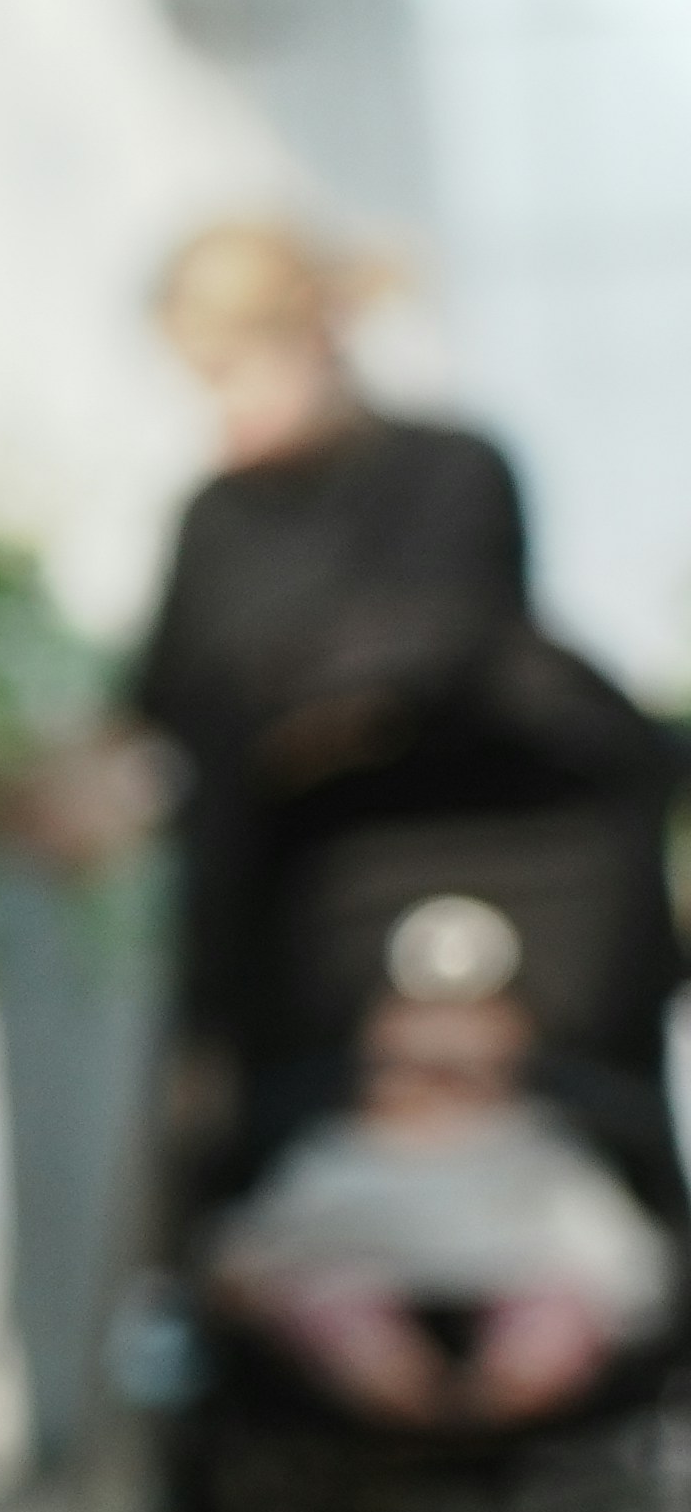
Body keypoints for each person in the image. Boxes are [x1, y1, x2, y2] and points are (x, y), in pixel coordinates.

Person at [103, 215, 559, 1191]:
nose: (220, 406)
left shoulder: (449, 471)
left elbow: (435, 657)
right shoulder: (217, 517)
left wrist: (273, 723)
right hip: (272, 947)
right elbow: (160, 705)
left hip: (450, 924)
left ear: (316, 338)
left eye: (231, 371)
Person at [200, 896, 674, 1430]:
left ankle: (504, 1394)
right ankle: (399, 1393)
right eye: (417, 1069)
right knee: (331, 1306)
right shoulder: (338, 1154)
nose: (439, 1096)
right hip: (360, 1292)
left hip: (520, 1288)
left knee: (556, 1315)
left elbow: (617, 1253)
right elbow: (258, 1250)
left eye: (462, 1073)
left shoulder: (538, 1150)